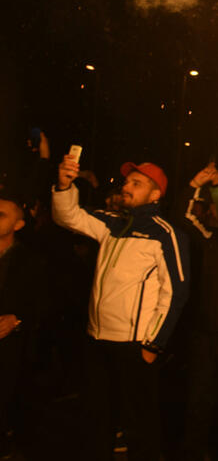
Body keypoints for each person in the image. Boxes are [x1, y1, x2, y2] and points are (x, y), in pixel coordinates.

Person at [52, 156, 190, 461]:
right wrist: (64, 185)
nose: (127, 186)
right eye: (127, 181)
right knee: (96, 419)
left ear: (155, 194)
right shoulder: (113, 222)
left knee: (140, 425)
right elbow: (69, 216)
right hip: (97, 339)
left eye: (136, 183)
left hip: (134, 344)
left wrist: (153, 344)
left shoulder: (165, 234)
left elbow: (176, 293)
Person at [175, 163, 218, 460]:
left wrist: (216, 188)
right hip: (206, 330)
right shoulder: (209, 238)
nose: (217, 211)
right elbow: (184, 216)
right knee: (199, 395)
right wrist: (206, 184)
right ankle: (194, 450)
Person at [0, 194, 45, 458]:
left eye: (2, 214)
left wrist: (16, 319)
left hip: (10, 355)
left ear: (18, 224)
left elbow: (44, 305)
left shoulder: (31, 262)